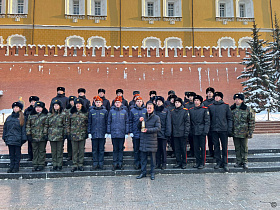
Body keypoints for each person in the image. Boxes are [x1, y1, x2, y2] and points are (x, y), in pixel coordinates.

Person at [208, 92, 233, 172]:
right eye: (215, 97)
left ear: (221, 98)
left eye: (218, 97)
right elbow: (209, 119)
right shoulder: (211, 107)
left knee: (224, 147)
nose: (217, 98)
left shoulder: (225, 106)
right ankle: (218, 162)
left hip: (223, 129)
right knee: (216, 146)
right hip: (214, 130)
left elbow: (229, 118)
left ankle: (225, 163)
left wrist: (229, 128)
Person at [136, 103, 161, 180]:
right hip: (144, 140)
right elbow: (138, 127)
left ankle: (152, 173)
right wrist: (139, 122)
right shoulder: (143, 117)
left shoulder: (156, 118)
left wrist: (148, 130)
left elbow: (158, 128)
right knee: (143, 158)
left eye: (150, 108)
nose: (149, 109)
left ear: (153, 109)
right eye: (148, 108)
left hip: (152, 140)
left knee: (153, 159)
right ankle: (143, 172)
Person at [230, 93, 255, 169]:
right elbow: (229, 120)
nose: (237, 100)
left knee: (244, 147)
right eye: (236, 99)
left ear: (242, 100)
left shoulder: (247, 109)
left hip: (244, 132)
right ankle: (238, 161)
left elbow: (251, 121)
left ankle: (245, 161)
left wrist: (250, 132)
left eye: (238, 99)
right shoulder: (232, 109)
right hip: (235, 132)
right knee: (237, 147)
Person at [2, 102, 27, 173]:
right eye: (14, 107)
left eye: (17, 107)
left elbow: (23, 129)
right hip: (10, 139)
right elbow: (5, 128)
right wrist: (4, 137)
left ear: (19, 109)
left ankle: (16, 167)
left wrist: (23, 139)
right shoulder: (9, 118)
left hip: (18, 139)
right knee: (11, 154)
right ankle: (11, 166)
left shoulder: (22, 118)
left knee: (17, 154)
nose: (15, 108)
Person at [44, 99, 67, 171]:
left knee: (59, 151)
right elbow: (46, 124)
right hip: (52, 135)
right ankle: (54, 164)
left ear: (60, 106)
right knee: (53, 151)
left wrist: (65, 133)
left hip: (60, 135)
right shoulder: (49, 114)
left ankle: (59, 164)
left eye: (57, 105)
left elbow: (65, 125)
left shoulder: (63, 114)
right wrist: (45, 133)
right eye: (54, 105)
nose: (56, 106)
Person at [107, 96, 129, 171]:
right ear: (114, 103)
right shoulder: (111, 111)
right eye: (116, 102)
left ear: (121, 103)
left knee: (120, 149)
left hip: (121, 133)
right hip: (114, 133)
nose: (117, 104)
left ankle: (120, 163)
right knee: (115, 149)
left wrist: (126, 132)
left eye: (118, 102)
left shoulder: (124, 111)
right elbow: (109, 122)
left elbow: (127, 122)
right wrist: (109, 132)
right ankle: (114, 163)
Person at [26, 101, 48, 172]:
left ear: (42, 108)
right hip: (34, 136)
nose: (38, 109)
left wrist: (45, 134)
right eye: (36, 107)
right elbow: (28, 126)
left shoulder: (45, 116)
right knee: (35, 151)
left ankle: (41, 164)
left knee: (41, 151)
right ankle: (35, 164)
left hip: (42, 136)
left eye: (39, 107)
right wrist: (29, 134)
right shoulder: (31, 116)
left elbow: (46, 126)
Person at [189, 95, 210, 169]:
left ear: (200, 102)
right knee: (196, 148)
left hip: (202, 131)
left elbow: (207, 121)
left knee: (203, 148)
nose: (196, 102)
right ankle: (197, 162)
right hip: (194, 131)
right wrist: (191, 131)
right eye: (195, 100)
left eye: (197, 100)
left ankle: (202, 163)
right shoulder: (191, 110)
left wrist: (205, 131)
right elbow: (190, 122)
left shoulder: (204, 110)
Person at [67, 98, 88, 172]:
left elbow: (87, 124)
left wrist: (86, 133)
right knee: (74, 150)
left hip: (82, 134)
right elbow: (68, 124)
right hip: (74, 134)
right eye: (76, 104)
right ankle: (74, 164)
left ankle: (81, 164)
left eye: (79, 104)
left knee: (81, 150)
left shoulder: (85, 113)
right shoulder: (71, 112)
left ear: (81, 104)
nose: (78, 105)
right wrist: (68, 133)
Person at [88, 96, 108, 170]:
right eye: (97, 102)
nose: (98, 103)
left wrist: (106, 132)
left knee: (101, 150)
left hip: (102, 133)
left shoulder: (105, 111)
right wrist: (89, 132)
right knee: (94, 150)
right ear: (94, 103)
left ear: (101, 103)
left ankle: (101, 164)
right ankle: (95, 164)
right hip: (94, 133)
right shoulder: (91, 111)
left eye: (99, 102)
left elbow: (106, 122)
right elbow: (89, 122)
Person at [171, 97, 190, 169]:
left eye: (178, 102)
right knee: (177, 149)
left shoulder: (185, 111)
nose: (177, 104)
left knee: (183, 149)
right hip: (175, 133)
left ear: (181, 103)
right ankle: (178, 162)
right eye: (175, 102)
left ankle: (184, 162)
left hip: (182, 133)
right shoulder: (172, 112)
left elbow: (187, 123)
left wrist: (186, 132)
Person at [129, 96, 147, 170]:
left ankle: (143, 163)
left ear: (142, 102)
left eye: (140, 101)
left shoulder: (146, 110)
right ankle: (137, 163)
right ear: (135, 102)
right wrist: (130, 131)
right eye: (138, 101)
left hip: (144, 134)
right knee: (136, 150)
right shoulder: (132, 111)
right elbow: (130, 121)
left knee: (143, 150)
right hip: (135, 133)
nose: (139, 102)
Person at [154, 96, 171, 170]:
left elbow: (168, 123)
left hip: (163, 133)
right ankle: (158, 163)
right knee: (157, 150)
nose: (158, 102)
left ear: (162, 102)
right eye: (157, 101)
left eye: (160, 101)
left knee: (163, 149)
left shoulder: (166, 111)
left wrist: (168, 133)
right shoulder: (154, 111)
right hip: (155, 133)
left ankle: (164, 163)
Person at [24, 96, 40, 161]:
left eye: (34, 101)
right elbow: (25, 119)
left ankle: (39, 157)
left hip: (39, 130)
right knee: (30, 144)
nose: (33, 103)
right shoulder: (27, 110)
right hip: (30, 129)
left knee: (39, 145)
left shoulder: (40, 109)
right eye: (32, 101)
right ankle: (30, 156)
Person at [202, 87, 215, 157]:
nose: (209, 93)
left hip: (213, 122)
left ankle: (214, 152)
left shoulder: (214, 102)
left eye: (211, 92)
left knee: (213, 139)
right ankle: (210, 151)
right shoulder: (204, 102)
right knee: (207, 138)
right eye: (208, 92)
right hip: (206, 123)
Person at [64, 96, 76, 161]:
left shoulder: (77, 109)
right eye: (70, 101)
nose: (72, 102)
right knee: (69, 142)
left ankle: (74, 155)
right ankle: (69, 155)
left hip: (76, 129)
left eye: (73, 101)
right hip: (69, 128)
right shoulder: (66, 110)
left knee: (75, 144)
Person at [184, 92, 196, 157]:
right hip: (189, 124)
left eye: (192, 96)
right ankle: (191, 151)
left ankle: (195, 151)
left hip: (195, 124)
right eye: (189, 96)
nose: (191, 97)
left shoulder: (195, 104)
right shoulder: (186, 105)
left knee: (195, 140)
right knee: (190, 139)